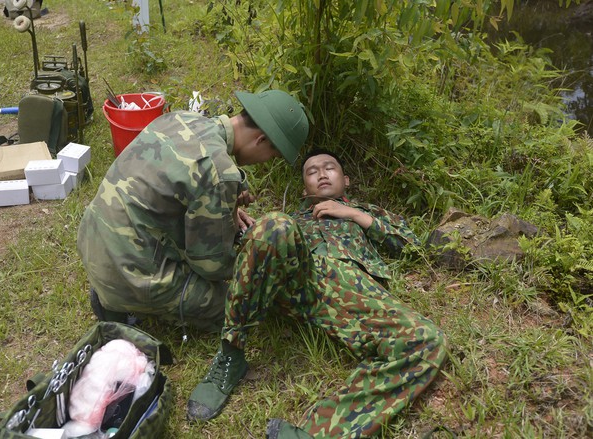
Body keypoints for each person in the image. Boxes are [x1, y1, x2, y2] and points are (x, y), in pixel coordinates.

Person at [187, 148, 447, 438]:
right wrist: (229, 218)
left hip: (350, 288)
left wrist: (353, 214)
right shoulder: (290, 221)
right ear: (304, 188)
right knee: (274, 224)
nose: (322, 173)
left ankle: (317, 434)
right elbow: (250, 254)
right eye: (312, 171)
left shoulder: (366, 212)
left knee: (425, 340)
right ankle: (231, 354)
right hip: (295, 280)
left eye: (329, 168)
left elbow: (411, 246)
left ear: (346, 180)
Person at [77, 90, 309, 332]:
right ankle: (128, 296)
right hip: (130, 270)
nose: (266, 160)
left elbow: (169, 193)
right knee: (241, 303)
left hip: (93, 240)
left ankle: (115, 288)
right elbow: (211, 267)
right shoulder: (219, 171)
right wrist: (249, 251)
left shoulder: (179, 118)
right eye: (272, 155)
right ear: (261, 140)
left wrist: (224, 208)